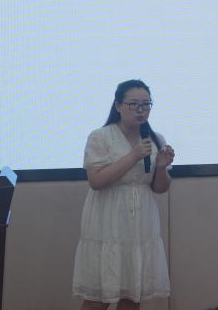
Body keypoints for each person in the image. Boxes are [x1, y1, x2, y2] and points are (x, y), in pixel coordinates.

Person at [73, 80, 176, 309]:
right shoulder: (100, 137)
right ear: (118, 105)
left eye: (146, 104)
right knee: (97, 298)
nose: (141, 110)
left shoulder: (155, 138)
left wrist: (161, 167)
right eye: (134, 104)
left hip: (140, 223)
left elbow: (160, 188)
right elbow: (96, 181)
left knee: (132, 295)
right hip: (107, 222)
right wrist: (133, 156)